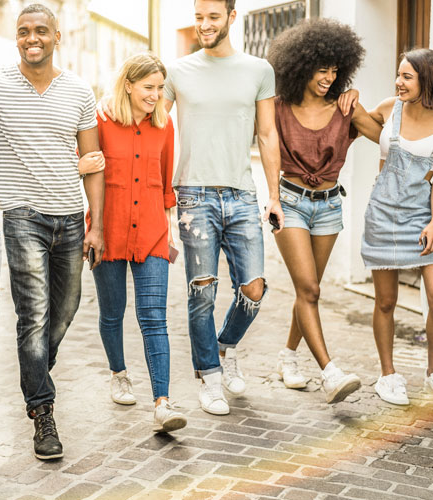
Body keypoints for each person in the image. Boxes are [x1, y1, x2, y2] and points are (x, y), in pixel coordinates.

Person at [100, 0, 283, 416]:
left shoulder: (258, 70)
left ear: (231, 18)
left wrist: (273, 195)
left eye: (213, 17)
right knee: (202, 292)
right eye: (198, 17)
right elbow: (144, 112)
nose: (204, 25)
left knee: (253, 287)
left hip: (241, 192)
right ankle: (209, 377)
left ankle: (225, 345)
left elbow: (268, 135)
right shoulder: (178, 72)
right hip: (193, 196)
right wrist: (108, 109)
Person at [0, 3, 105, 460]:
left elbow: (94, 164)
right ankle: (42, 411)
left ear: (56, 36)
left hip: (71, 218)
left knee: (65, 309)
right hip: (22, 215)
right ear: (17, 38)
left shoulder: (78, 91)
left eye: (40, 31)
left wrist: (97, 224)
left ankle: (35, 369)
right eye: (23, 32)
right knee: (33, 317)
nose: (32, 38)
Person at [267, 19, 382, 403]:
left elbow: (389, 138)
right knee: (311, 288)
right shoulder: (278, 108)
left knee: (306, 291)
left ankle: (286, 357)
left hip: (330, 206)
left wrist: (399, 99)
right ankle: (330, 371)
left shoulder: (346, 108)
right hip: (290, 204)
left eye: (335, 70)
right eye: (322, 68)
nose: (329, 77)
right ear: (300, 65)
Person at [88, 53, 187, 433]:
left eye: (160, 88)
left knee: (153, 318)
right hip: (107, 230)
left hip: (151, 233)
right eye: (149, 87)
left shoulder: (165, 125)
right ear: (128, 84)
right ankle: (118, 373)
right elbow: (87, 171)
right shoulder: (100, 120)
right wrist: (93, 226)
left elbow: (164, 187)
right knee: (112, 313)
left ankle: (162, 403)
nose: (156, 95)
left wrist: (168, 228)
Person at [360, 48, 433, 405]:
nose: (398, 82)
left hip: (425, 217)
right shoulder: (390, 108)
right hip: (384, 215)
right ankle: (388, 376)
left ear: (426, 79)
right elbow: (353, 124)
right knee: (386, 301)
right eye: (398, 75)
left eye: (407, 77)